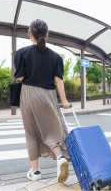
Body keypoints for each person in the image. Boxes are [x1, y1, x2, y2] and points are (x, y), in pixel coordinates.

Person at [14, 19, 70, 183]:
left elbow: (20, 77)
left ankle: (35, 172)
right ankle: (60, 158)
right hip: (49, 95)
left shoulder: (22, 53)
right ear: (47, 35)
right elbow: (59, 80)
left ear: (30, 35)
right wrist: (64, 101)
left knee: (31, 132)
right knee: (52, 130)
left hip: (29, 94)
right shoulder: (55, 56)